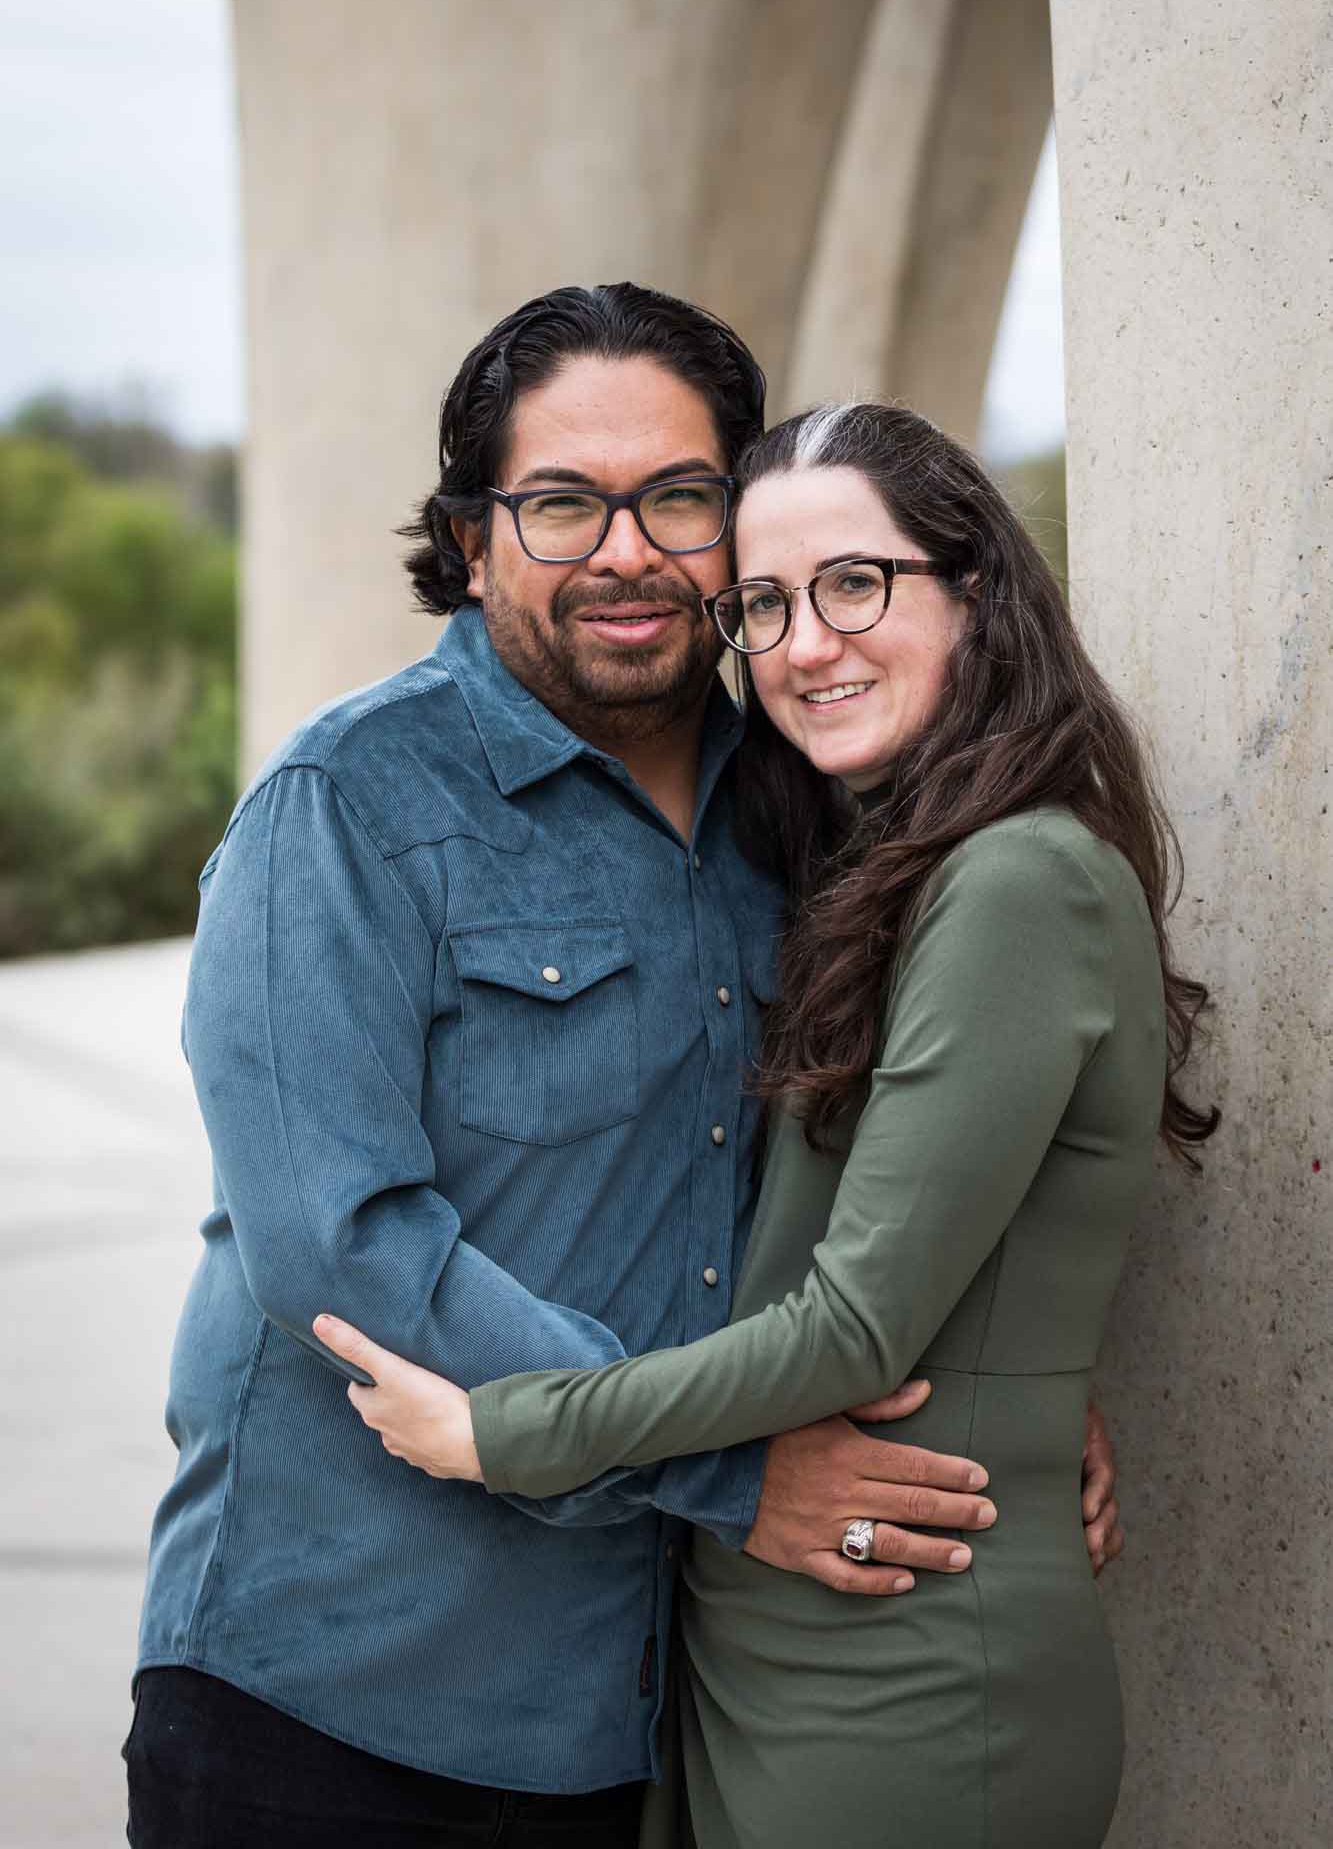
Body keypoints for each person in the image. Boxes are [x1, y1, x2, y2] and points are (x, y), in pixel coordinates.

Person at [126, 286, 1120, 1848]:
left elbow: (876, 1178)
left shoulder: (811, 820)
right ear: (471, 542)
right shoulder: (348, 806)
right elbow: (341, 1249)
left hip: (649, 1718)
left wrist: (1004, 1369)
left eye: (679, 497)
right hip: (345, 1695)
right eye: (559, 504)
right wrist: (738, 1475)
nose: (627, 551)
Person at [313, 397, 1216, 1849]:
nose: (805, 645)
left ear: (977, 589)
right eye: (765, 604)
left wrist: (507, 1428)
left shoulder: (1017, 882)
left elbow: (853, 1329)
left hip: (904, 1688)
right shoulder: (881, 875)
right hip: (757, 1661)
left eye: (856, 582)